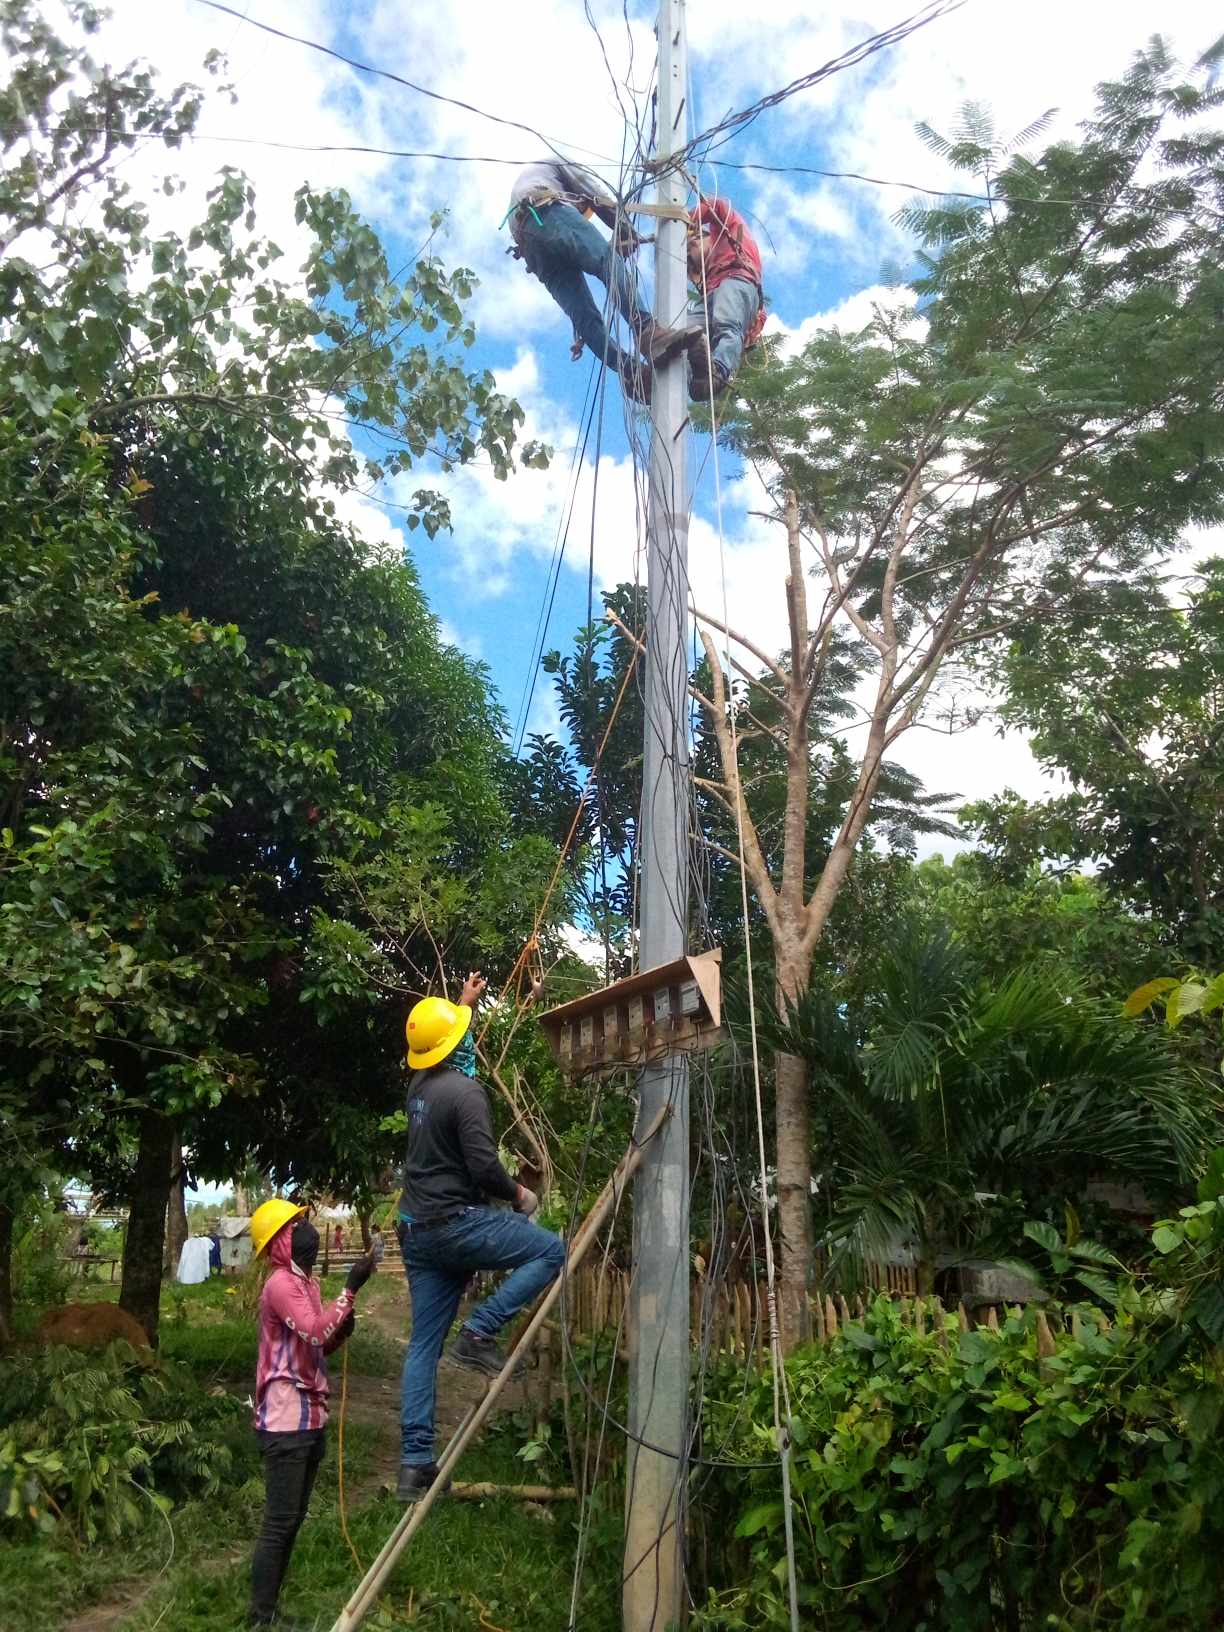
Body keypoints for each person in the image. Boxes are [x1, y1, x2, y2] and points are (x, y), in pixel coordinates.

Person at [395, 972, 565, 1503]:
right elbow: (485, 1166)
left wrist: (463, 1006)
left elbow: (452, 1051)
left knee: (423, 1345)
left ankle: (414, 1465)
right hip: (454, 1223)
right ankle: (481, 1332)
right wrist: (519, 1196)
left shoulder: (418, 1089)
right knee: (550, 1249)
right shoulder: (466, 1094)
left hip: (415, 1229)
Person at [246, 1197, 377, 1629]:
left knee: (293, 1520)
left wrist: (341, 1330)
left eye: (303, 1220)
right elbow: (316, 1332)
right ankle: (259, 1616)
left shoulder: (307, 1285)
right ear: (281, 1243)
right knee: (280, 1521)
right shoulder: (281, 1284)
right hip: (286, 1420)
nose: (306, 1228)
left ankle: (268, 1611)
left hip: (310, 1416)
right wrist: (352, 1287)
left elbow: (316, 1345)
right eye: (295, 1225)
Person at [506, 157, 693, 400]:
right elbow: (593, 194)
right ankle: (647, 331)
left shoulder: (532, 179)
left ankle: (631, 372)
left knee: (584, 317)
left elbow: (569, 244)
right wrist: (625, 229)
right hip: (543, 209)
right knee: (607, 260)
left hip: (529, 244)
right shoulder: (556, 166)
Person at [685, 192, 766, 400]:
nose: (691, 248)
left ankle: (719, 370)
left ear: (706, 236)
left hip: (737, 278)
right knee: (683, 334)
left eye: (694, 242)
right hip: (714, 291)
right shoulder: (708, 275)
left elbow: (717, 206)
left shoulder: (726, 230)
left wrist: (686, 220)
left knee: (726, 322)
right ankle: (676, 378)